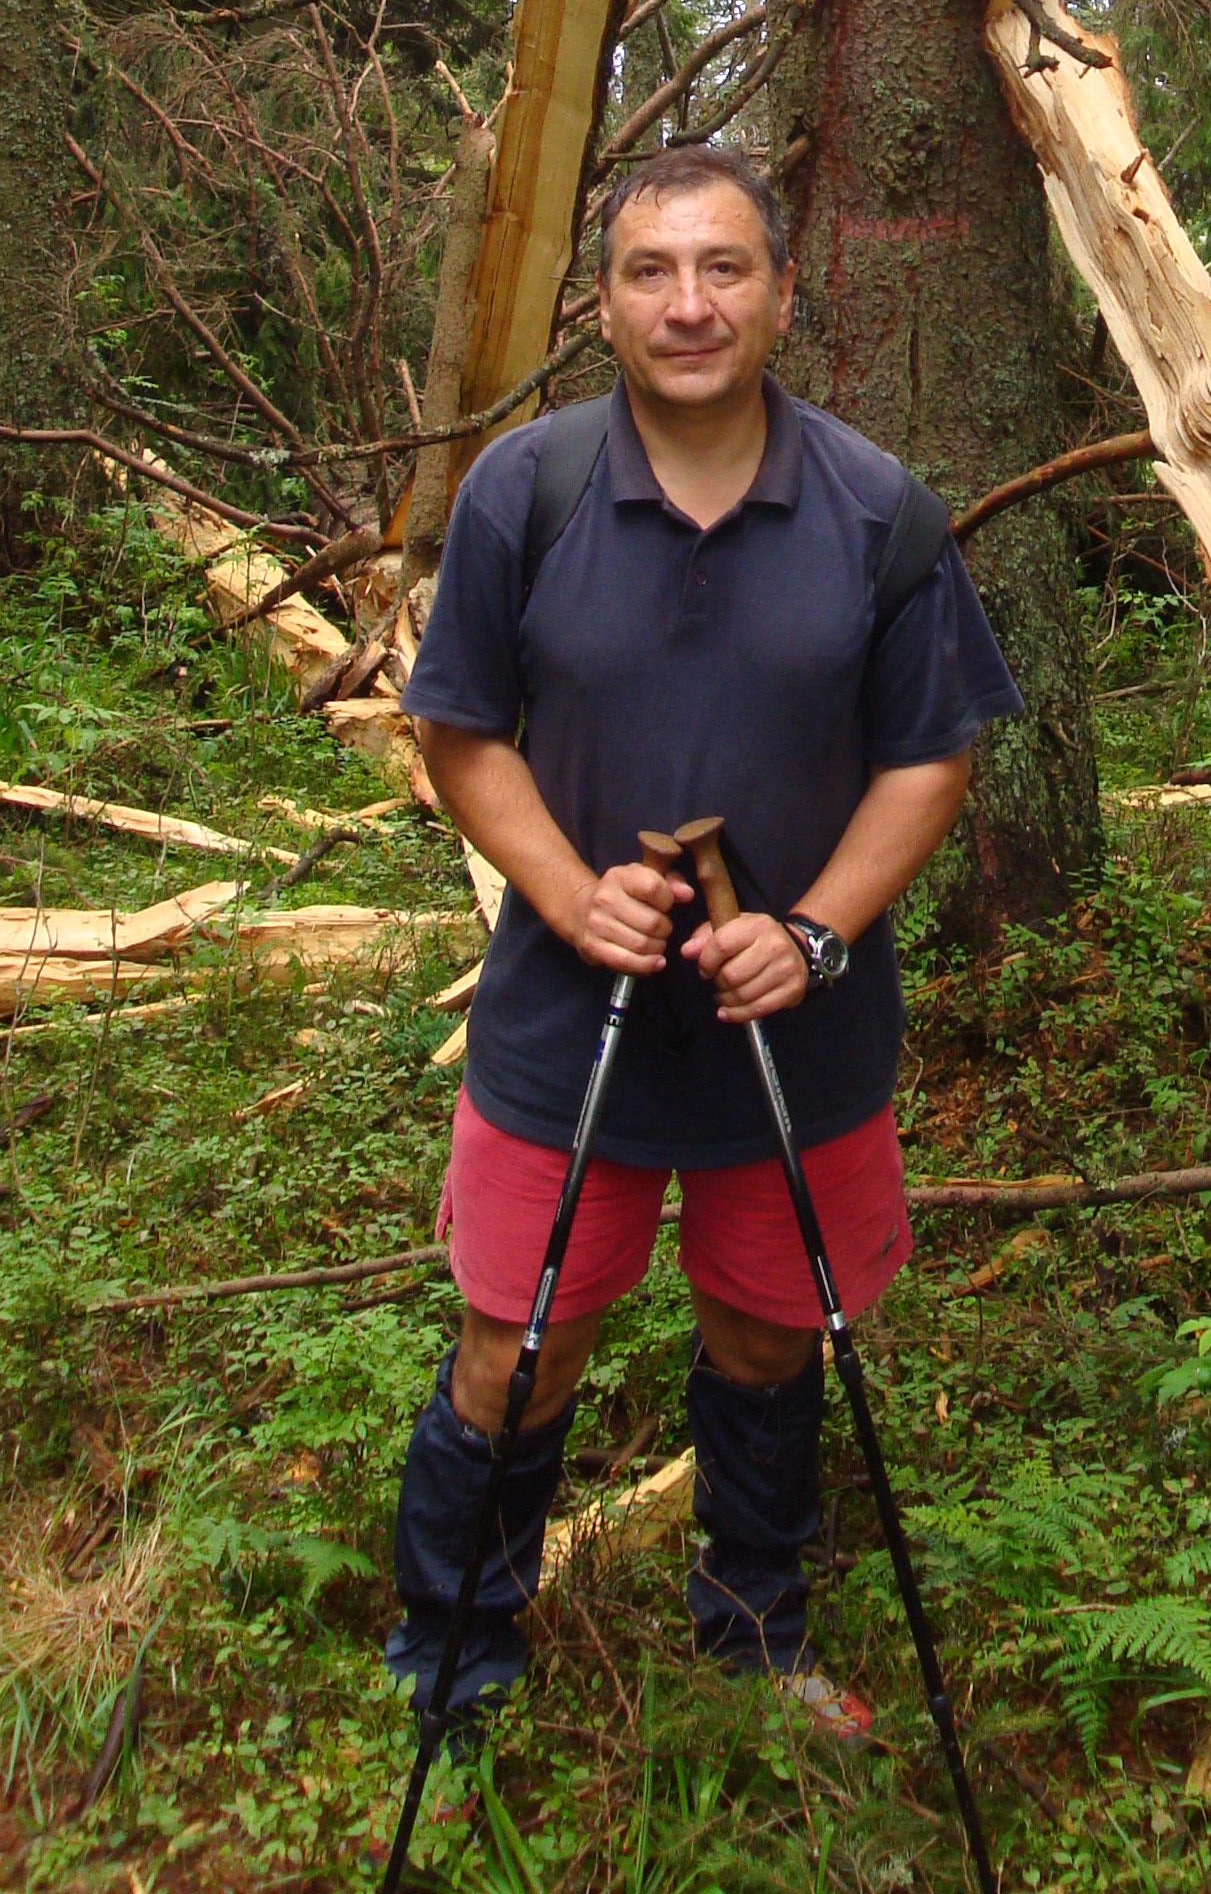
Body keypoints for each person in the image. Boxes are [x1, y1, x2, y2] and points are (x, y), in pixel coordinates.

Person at [383, 139, 1022, 1740]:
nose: (689, 305)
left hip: (795, 1027)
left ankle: (752, 1633)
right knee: (520, 1341)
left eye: (724, 268)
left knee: (769, 1331)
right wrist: (562, 890)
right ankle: (453, 1650)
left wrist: (815, 932)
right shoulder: (523, 494)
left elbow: (930, 757)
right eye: (651, 272)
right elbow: (459, 731)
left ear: (783, 295)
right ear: (604, 306)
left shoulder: (877, 511)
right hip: (565, 1022)